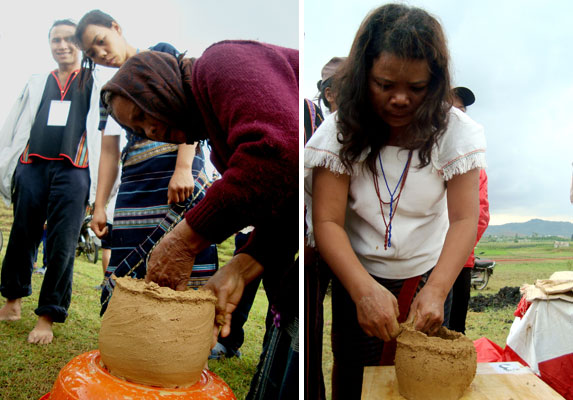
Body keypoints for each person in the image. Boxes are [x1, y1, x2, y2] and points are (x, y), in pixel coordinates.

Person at [304, 4, 486, 398]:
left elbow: (463, 220)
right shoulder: (338, 132)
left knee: (421, 381)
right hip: (358, 273)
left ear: (435, 83)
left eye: (417, 88)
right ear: (362, 76)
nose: (400, 99)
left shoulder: (456, 133)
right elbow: (328, 222)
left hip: (429, 273)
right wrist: (362, 290)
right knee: (356, 377)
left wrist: (436, 290)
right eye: (384, 84)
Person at [100, 40, 298, 400]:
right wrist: (241, 267)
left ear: (160, 84)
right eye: (140, 130)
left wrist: (185, 238)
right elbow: (287, 206)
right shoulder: (218, 136)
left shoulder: (220, 62)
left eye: (145, 114)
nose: (152, 133)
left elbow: (279, 156)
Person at [74, 10, 218, 312]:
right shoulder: (109, 93)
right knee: (128, 257)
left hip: (173, 172)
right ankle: (132, 331)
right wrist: (100, 205)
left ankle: (186, 332)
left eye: (101, 41)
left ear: (116, 27)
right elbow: (110, 151)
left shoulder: (160, 55)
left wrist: (182, 168)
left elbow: (187, 106)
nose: (100, 54)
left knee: (184, 245)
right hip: (135, 182)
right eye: (91, 53)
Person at [0, 19, 101, 344]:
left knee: (62, 243)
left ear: (80, 44)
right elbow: (14, 124)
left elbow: (103, 133)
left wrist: (101, 191)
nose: (62, 45)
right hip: (32, 164)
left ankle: (47, 316)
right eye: (55, 39)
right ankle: (12, 300)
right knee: (22, 233)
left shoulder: (94, 80)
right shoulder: (36, 81)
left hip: (74, 170)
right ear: (49, 44)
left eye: (69, 39)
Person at [304, 56, 345, 400]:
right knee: (309, 329)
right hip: (312, 243)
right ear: (331, 94)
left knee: (347, 338)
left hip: (355, 246)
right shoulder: (310, 123)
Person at [448, 87, 490, 334]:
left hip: (461, 262)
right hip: (421, 263)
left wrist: (456, 249)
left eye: (462, 110)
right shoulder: (421, 153)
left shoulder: (475, 162)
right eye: (450, 109)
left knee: (453, 332)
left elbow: (481, 213)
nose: (457, 115)